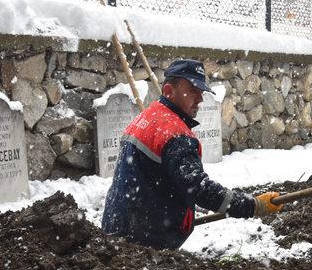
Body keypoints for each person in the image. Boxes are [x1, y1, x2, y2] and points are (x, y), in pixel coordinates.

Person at [102, 59, 284, 249]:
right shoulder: (175, 134)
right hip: (144, 239)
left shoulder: (148, 116)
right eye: (192, 90)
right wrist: (252, 206)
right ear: (168, 91)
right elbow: (198, 188)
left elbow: (152, 177)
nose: (200, 98)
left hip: (119, 225)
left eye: (201, 92)